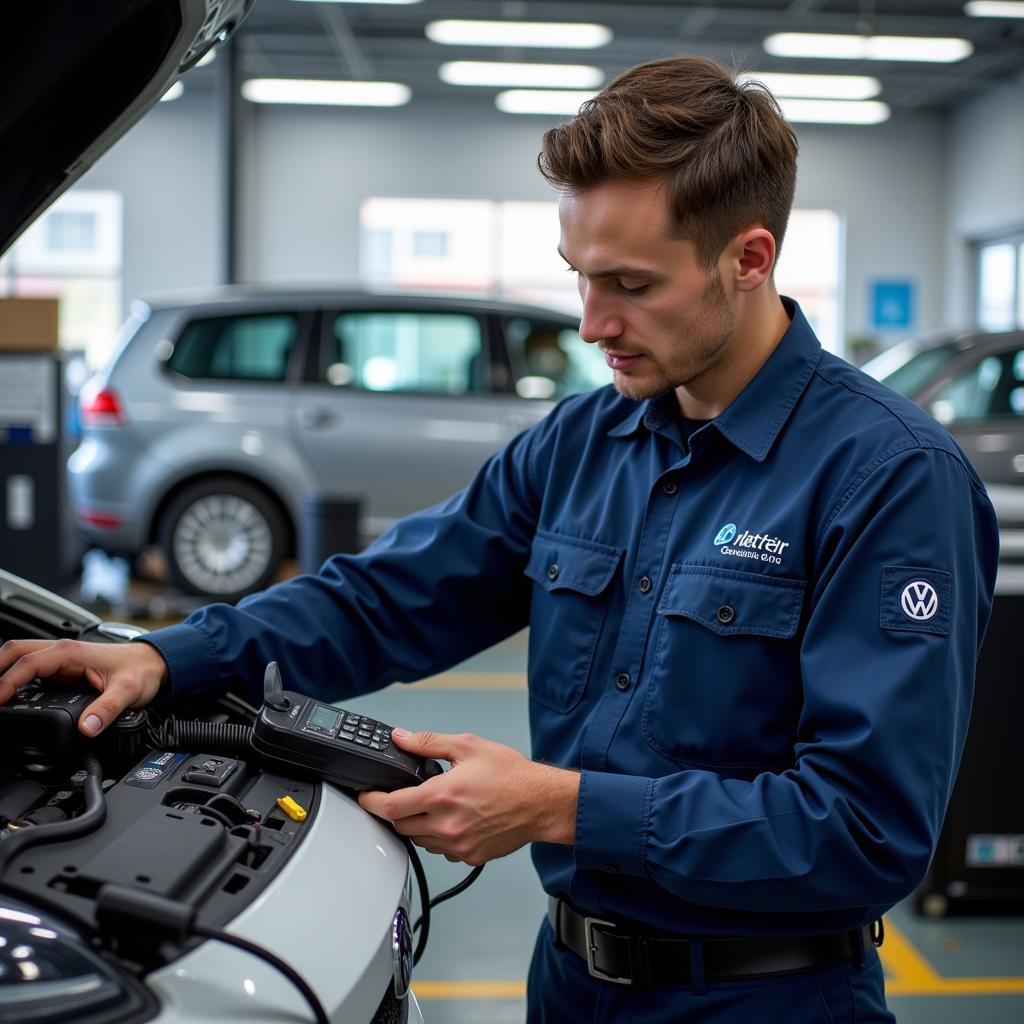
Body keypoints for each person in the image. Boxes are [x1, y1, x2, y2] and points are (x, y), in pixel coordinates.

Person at [0, 57, 999, 1023]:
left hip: (764, 997)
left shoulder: (888, 477)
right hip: (568, 983)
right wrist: (158, 657)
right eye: (578, 276)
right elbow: (383, 597)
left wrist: (560, 806)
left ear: (748, 258)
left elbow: (865, 829)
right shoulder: (582, 439)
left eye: (631, 284)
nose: (592, 322)